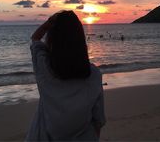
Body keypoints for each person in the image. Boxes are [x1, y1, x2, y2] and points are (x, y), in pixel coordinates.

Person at [26, 10, 106, 141]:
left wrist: (50, 22)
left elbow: (35, 38)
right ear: (81, 39)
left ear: (52, 38)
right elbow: (98, 120)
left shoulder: (45, 69)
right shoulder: (93, 75)